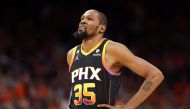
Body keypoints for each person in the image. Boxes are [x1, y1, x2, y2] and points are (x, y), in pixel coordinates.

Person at [67, 9, 164, 109]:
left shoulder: (112, 49)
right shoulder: (71, 54)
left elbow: (155, 75)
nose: (83, 21)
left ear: (101, 28)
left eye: (89, 19)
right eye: (82, 18)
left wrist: (128, 107)